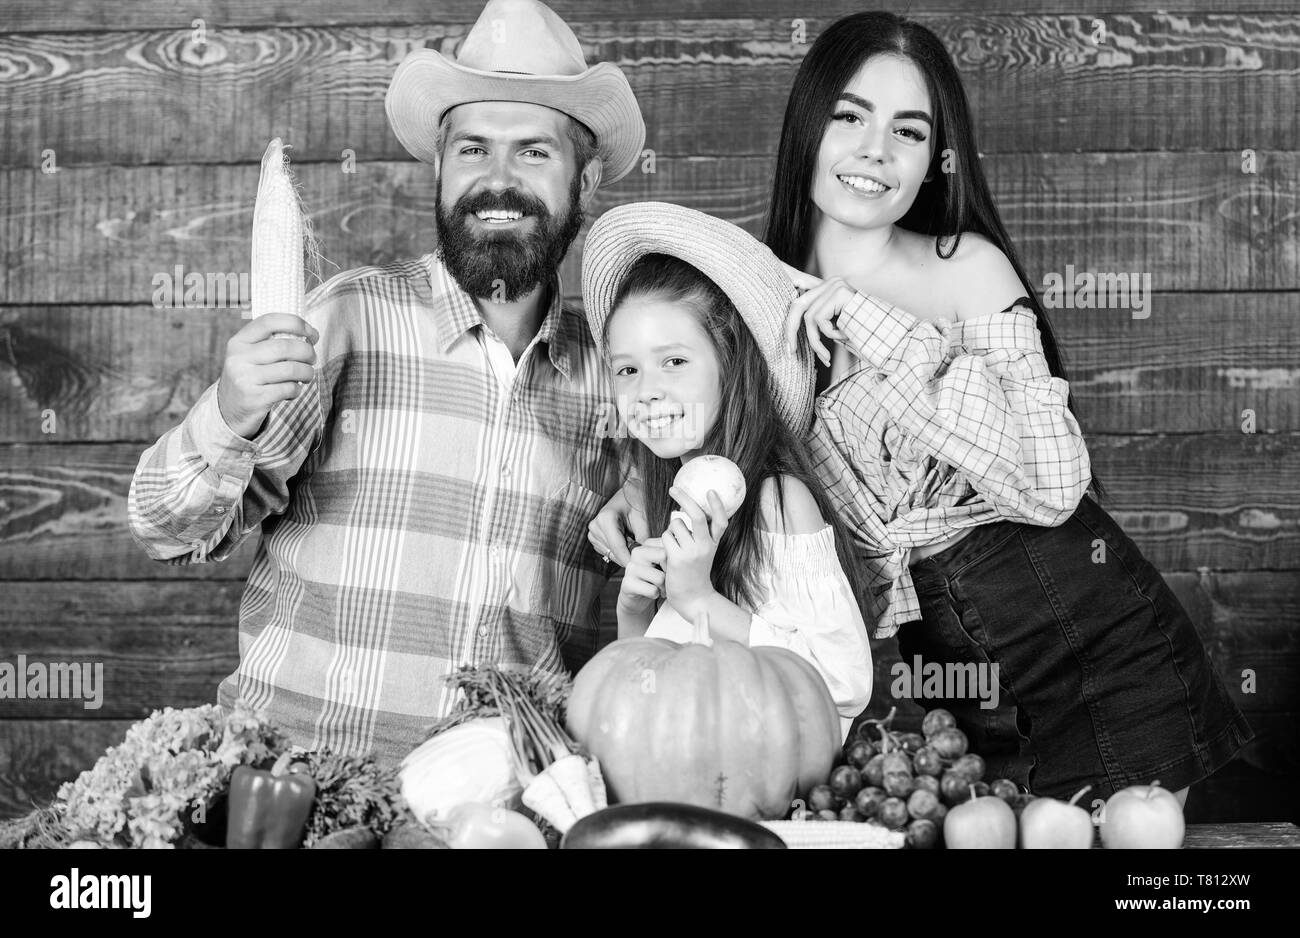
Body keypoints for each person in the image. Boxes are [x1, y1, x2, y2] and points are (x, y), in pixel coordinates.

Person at [591, 11, 1252, 803]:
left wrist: (874, 327)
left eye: (907, 132)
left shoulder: (967, 270)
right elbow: (688, 404)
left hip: (1098, 650)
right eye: (848, 117)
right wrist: (643, 480)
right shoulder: (748, 298)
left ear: (933, 162)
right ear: (808, 129)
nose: (874, 150)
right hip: (934, 695)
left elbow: (1047, 481)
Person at [127, 0, 646, 763]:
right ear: (439, 167)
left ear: (586, 178)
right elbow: (162, 527)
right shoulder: (347, 319)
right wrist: (231, 413)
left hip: (499, 816)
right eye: (472, 150)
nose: (496, 182)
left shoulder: (614, 378)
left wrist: (653, 493)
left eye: (533, 152)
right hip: (301, 791)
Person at [581, 201, 873, 738]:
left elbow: (841, 686)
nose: (646, 389)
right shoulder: (664, 508)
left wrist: (697, 599)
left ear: (731, 362)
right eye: (627, 369)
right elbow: (633, 713)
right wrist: (633, 615)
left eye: (674, 361)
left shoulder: (777, 499)